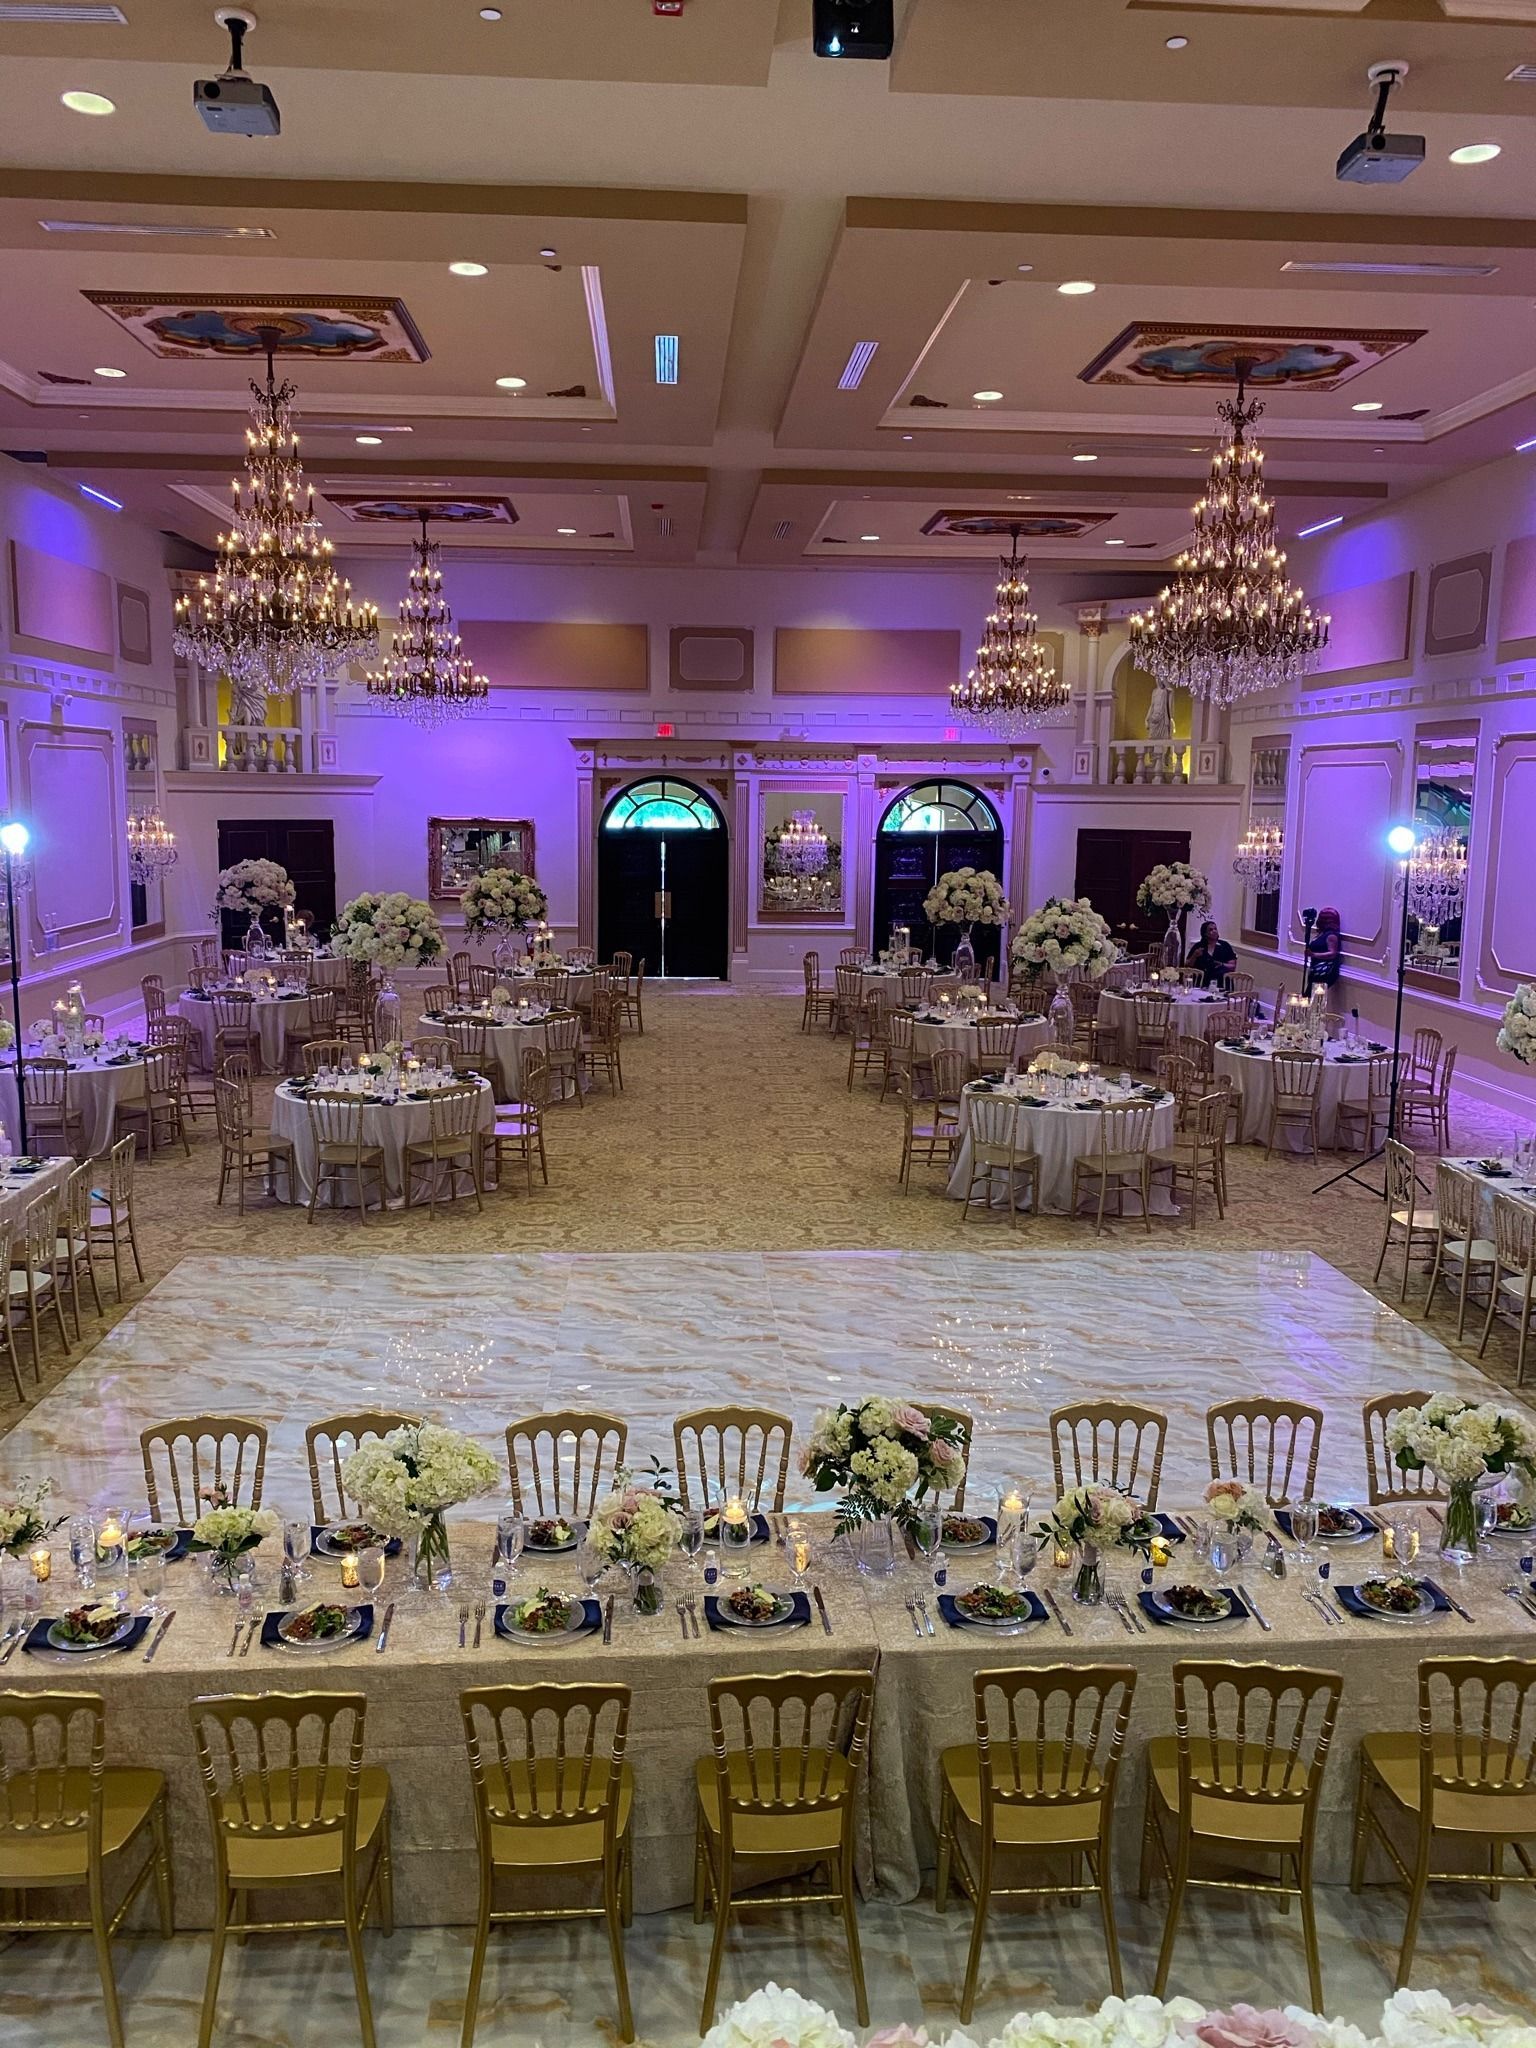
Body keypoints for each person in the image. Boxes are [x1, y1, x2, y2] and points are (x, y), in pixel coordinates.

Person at [1187, 919, 1237, 989]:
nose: (1214, 931)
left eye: (1215, 929)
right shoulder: (1199, 946)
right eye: (1210, 930)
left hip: (1221, 981)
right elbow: (1188, 965)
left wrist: (1222, 964)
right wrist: (1194, 955)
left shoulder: (1224, 945)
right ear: (1205, 933)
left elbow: (1232, 966)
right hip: (1202, 981)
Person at [1305, 905, 1343, 993]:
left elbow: (1332, 953)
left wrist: (1314, 954)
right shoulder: (1323, 934)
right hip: (1315, 969)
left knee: (1312, 996)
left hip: (1323, 972)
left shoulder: (1331, 936)